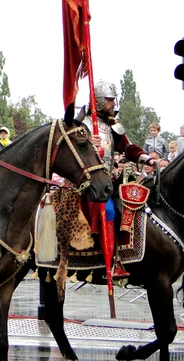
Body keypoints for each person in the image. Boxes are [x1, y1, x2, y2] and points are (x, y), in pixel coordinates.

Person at [79, 80, 156, 278]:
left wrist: (145, 157)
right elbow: (71, 149)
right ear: (98, 100)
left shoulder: (113, 125)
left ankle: (125, 256)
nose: (114, 104)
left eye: (114, 99)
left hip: (108, 182)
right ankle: (109, 263)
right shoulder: (83, 125)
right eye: (110, 100)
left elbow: (127, 147)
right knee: (109, 211)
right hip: (87, 183)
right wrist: (87, 143)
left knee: (129, 207)